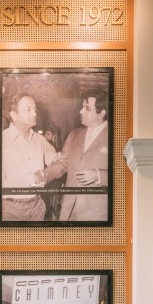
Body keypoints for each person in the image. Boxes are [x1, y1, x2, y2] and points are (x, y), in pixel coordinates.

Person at [43, 86, 110, 222]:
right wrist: (45, 175)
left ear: (101, 113)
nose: (81, 111)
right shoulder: (74, 135)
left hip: (98, 213)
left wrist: (99, 175)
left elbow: (125, 174)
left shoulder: (116, 136)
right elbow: (63, 162)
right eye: (82, 107)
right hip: (69, 210)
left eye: (87, 108)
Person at [1, 93, 59, 222]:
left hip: (37, 208)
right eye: (28, 109)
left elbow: (58, 161)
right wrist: (33, 178)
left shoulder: (40, 140)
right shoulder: (0, 140)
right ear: (13, 114)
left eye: (34, 109)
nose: (34, 113)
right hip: (9, 210)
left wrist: (47, 174)